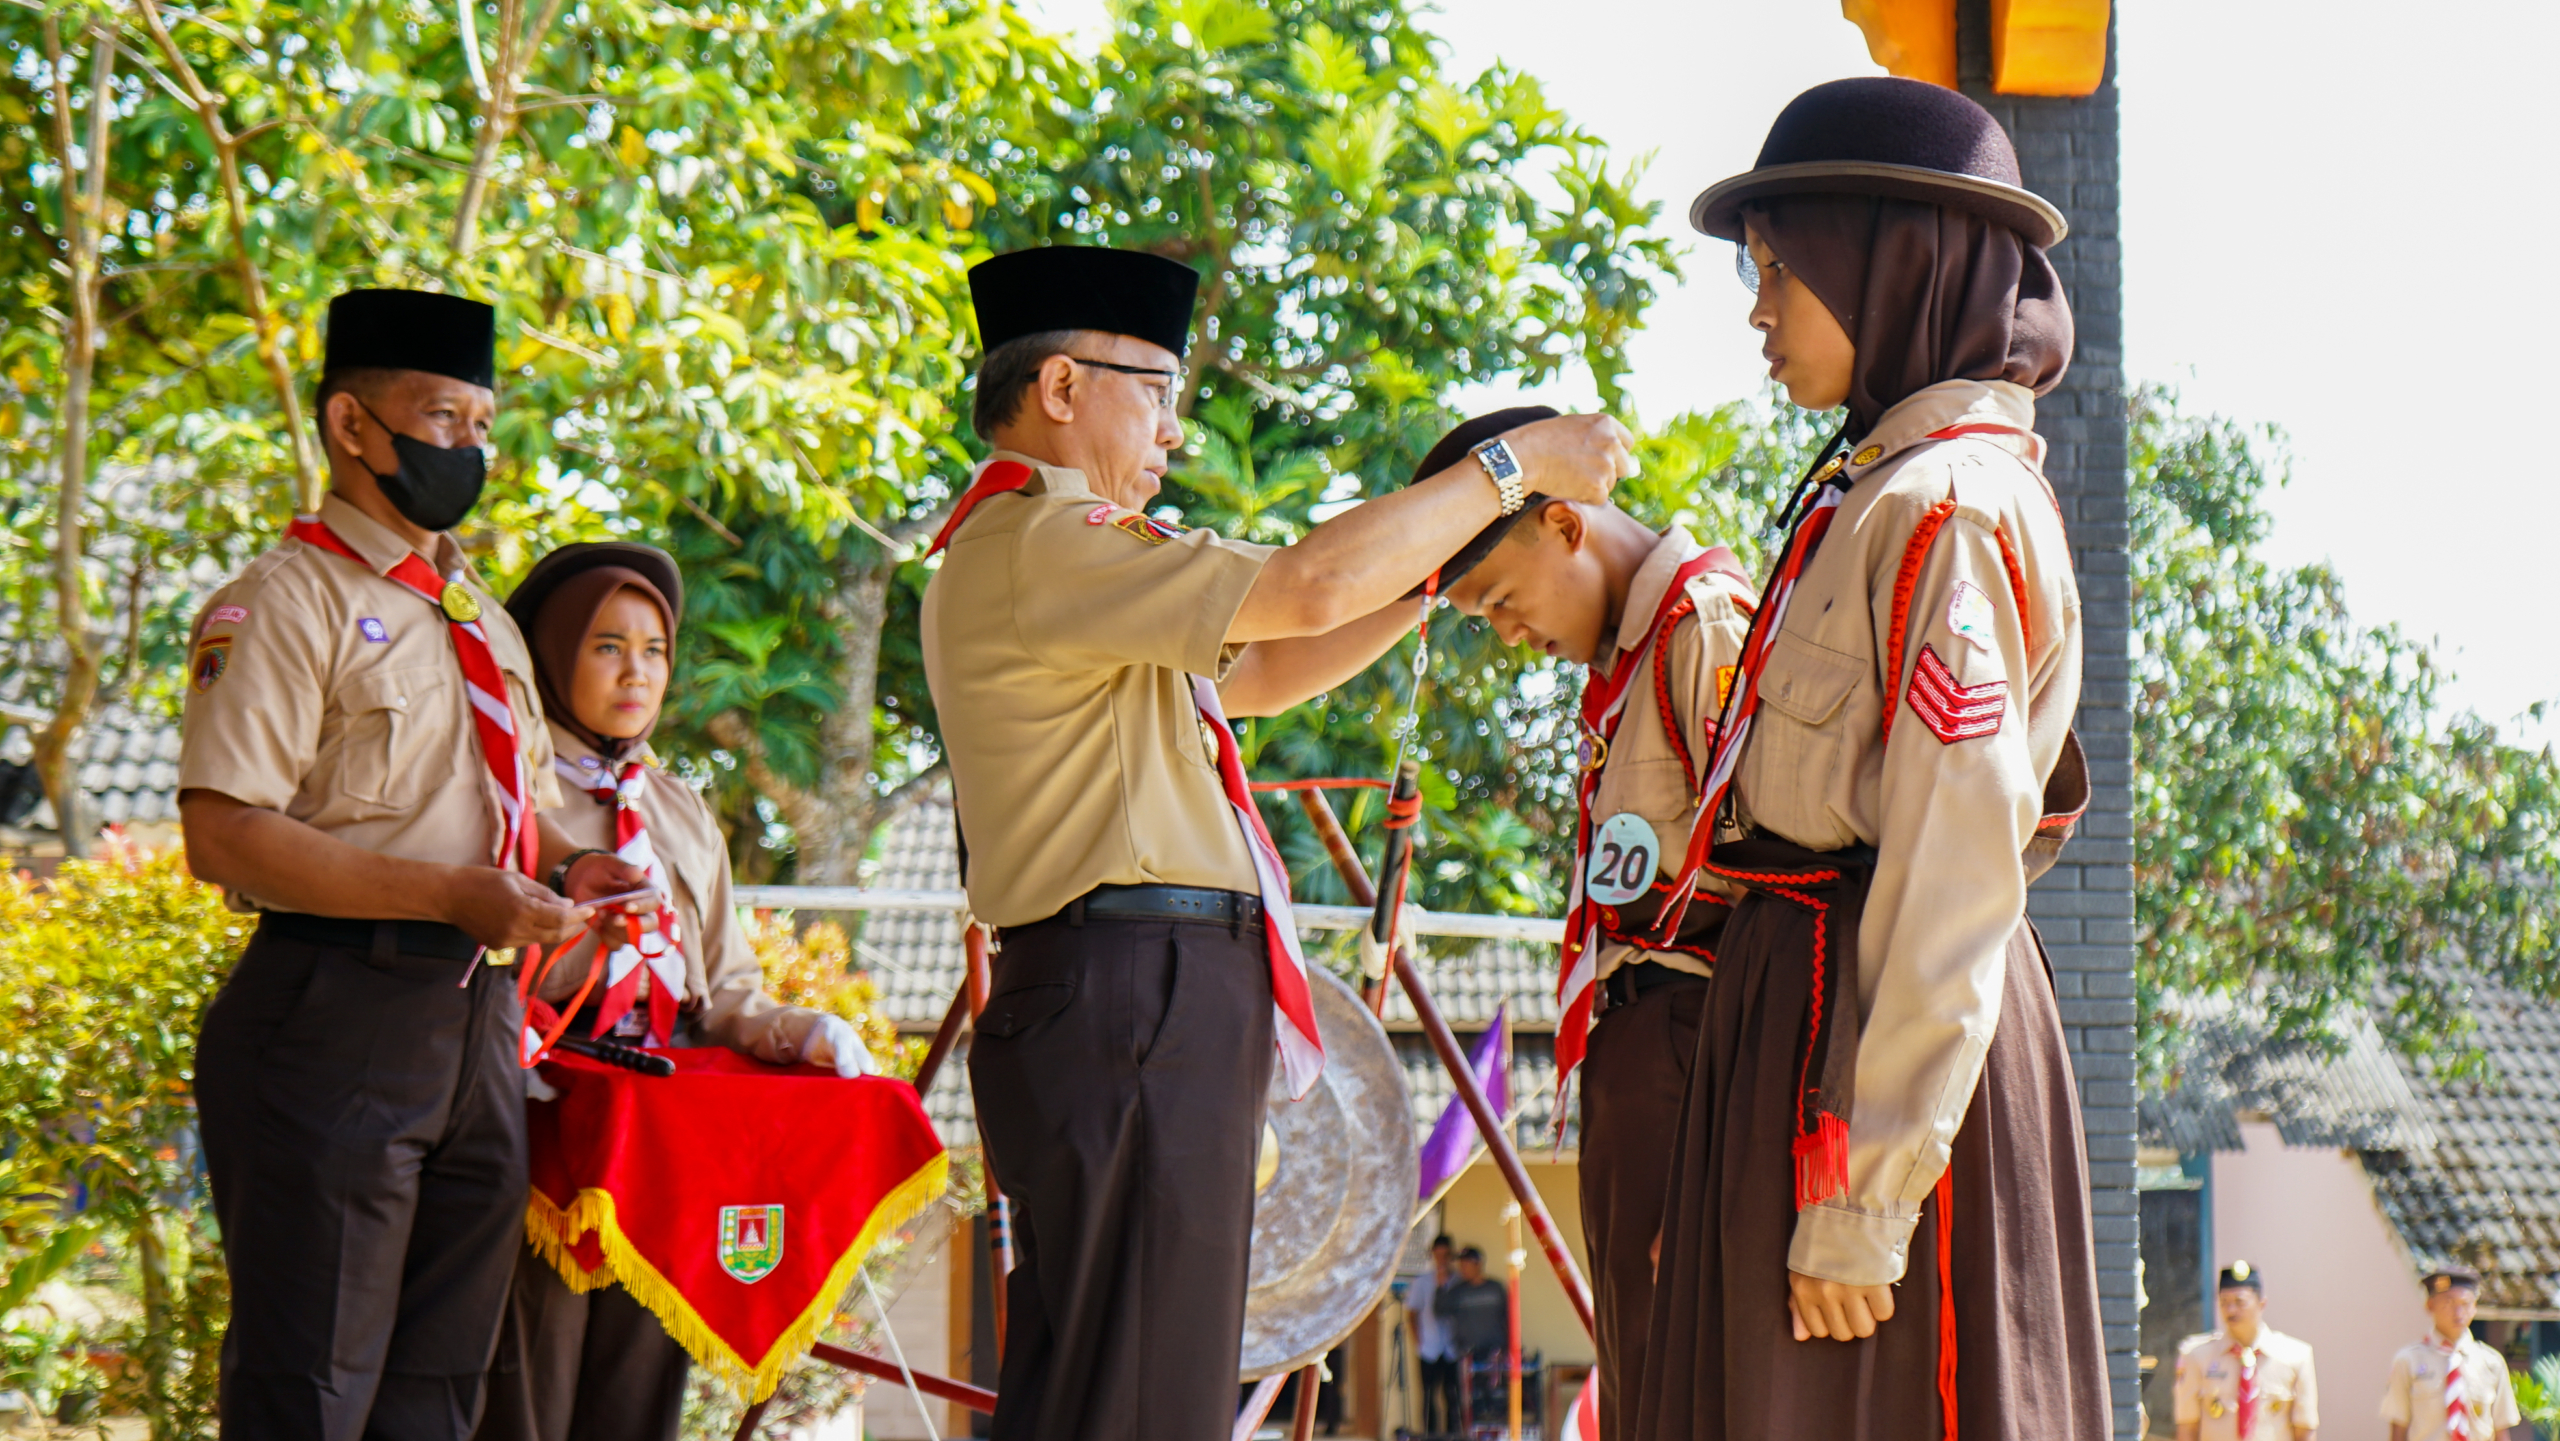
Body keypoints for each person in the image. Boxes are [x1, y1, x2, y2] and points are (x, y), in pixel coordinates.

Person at [921, 244, 1634, 1441]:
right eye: (1154, 392)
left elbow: (1256, 670)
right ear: (1058, 390)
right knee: (1145, 1395)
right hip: (1130, 991)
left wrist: (1424, 578)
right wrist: (1508, 468)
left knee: (1111, 1384)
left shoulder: (1047, 553)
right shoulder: (1046, 538)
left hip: (1124, 997)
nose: (1172, 432)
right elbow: (1303, 589)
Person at [1632, 77, 2106, 1441]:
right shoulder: (1880, 494)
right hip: (1811, 1008)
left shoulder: (1947, 506)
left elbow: (1956, 860)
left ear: (1884, 265)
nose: (1758, 311)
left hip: (1873, 1042)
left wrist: (1868, 1195)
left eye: (1779, 269)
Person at [178, 288, 648, 1440]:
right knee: (311, 1389)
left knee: (439, 1392)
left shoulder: (479, 615)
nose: (470, 448)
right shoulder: (286, 602)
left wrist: (568, 871)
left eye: (484, 422)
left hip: (475, 1020)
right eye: (442, 417)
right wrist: (447, 893)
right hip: (332, 1009)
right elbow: (222, 830)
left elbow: (503, 819)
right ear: (351, 425)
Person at [472, 542, 880, 1441]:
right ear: (551, 654)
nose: (637, 671)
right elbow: (477, 952)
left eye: (654, 649)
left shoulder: (683, 814)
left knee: (639, 1393)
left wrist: (801, 1030)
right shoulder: (502, 794)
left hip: (659, 1151)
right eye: (607, 645)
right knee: (529, 1390)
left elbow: (726, 989)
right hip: (541, 1135)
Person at [1429, 407, 1757, 1441]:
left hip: (1700, 1050)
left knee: (1696, 1382)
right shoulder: (1624, 661)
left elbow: (1778, 897)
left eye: (1501, 600)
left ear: (1565, 527)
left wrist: (1729, 1150)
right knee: (1649, 1380)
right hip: (1645, 1050)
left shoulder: (1702, 626)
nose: (1511, 633)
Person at [2174, 1261, 2320, 1441]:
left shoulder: (2295, 1357)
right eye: (2224, 1302)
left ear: (2261, 1303)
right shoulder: (2197, 1356)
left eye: (2239, 1302)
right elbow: (2187, 1428)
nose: (2230, 1310)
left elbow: (2304, 1430)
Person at [2382, 1268, 2523, 1441]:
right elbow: (2398, 1429)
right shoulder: (2408, 1361)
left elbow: (2500, 1429)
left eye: (2465, 1304)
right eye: (2448, 1303)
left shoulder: (2491, 1362)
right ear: (2430, 1306)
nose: (2458, 1313)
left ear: (2474, 1308)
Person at [1411, 1234, 1463, 1437]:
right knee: (1428, 1394)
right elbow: (1412, 1313)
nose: (1442, 1259)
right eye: (1438, 1255)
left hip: (1452, 1347)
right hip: (1429, 1346)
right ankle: (1429, 1434)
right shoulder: (1422, 1281)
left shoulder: (1459, 1281)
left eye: (1446, 1255)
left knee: (1452, 1394)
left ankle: (1452, 1433)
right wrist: (1418, 1341)